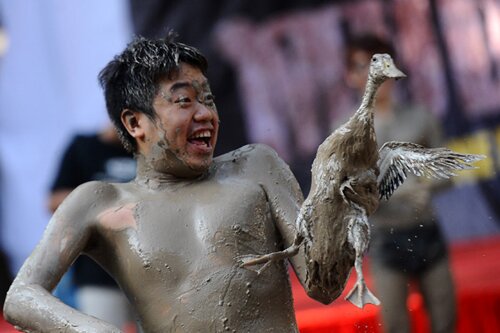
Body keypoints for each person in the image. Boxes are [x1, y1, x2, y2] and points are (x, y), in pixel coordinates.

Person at [3, 33, 378, 332]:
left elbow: (323, 286)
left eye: (209, 99)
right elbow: (20, 296)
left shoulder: (256, 166)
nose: (206, 113)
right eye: (184, 100)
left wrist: (337, 204)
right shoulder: (101, 201)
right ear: (135, 123)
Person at [344, 34, 456, 333]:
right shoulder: (346, 132)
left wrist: (427, 185)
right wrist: (391, 191)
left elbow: (448, 171)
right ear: (351, 75)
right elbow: (346, 192)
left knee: (445, 321)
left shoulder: (420, 117)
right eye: (365, 67)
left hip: (427, 230)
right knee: (395, 325)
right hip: (385, 238)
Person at [48, 124, 136, 328]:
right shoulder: (83, 146)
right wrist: (107, 206)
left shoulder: (149, 151)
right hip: (97, 272)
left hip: (149, 271)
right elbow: (54, 201)